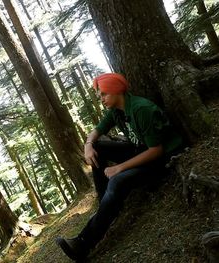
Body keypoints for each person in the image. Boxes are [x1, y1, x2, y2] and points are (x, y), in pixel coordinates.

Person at [56, 73, 184, 261]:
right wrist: (88, 145)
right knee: (98, 147)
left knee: (117, 181)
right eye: (100, 95)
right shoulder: (117, 110)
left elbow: (156, 150)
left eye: (104, 94)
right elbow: (97, 131)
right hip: (140, 151)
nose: (101, 99)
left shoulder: (141, 109)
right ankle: (104, 206)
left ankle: (83, 244)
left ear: (117, 91)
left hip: (162, 159)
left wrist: (120, 167)